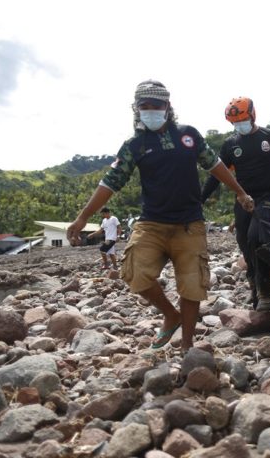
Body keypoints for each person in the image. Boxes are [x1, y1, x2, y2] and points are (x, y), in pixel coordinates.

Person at [67, 80, 254, 351]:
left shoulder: (188, 135)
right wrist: (83, 217)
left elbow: (215, 164)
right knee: (133, 272)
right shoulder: (134, 145)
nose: (151, 110)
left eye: (157, 105)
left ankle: (187, 345)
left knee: (192, 285)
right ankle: (170, 314)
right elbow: (111, 182)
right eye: (145, 106)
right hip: (151, 224)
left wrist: (240, 192)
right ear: (136, 109)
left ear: (168, 107)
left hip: (190, 224)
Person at [201, 96, 270, 311]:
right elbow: (216, 175)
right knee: (244, 241)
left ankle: (265, 293)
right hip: (243, 197)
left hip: (269, 195)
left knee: (257, 237)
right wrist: (200, 199)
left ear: (252, 116)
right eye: (235, 122)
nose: (239, 125)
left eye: (243, 119)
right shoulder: (230, 144)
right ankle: (254, 285)